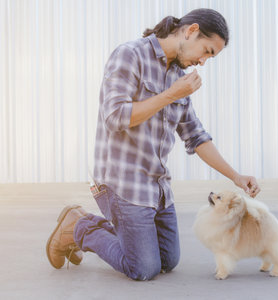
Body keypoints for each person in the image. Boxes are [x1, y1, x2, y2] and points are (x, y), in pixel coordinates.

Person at [46, 8, 260, 281]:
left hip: (155, 187)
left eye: (210, 57)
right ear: (191, 31)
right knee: (144, 268)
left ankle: (110, 232)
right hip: (120, 183)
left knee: (168, 261)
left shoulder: (176, 75)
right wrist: (171, 95)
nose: (203, 62)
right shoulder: (129, 55)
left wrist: (236, 177)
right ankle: (79, 226)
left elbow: (196, 136)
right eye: (206, 51)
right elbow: (115, 117)